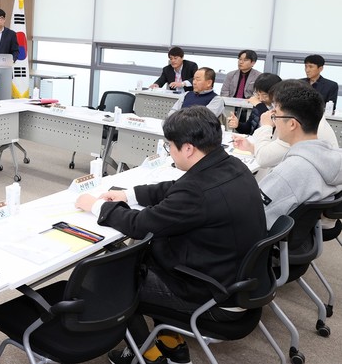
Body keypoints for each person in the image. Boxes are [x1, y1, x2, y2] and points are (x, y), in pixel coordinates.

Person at [76, 106, 266, 364]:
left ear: (187, 148)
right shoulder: (231, 165)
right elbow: (177, 188)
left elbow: (140, 224)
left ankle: (147, 354)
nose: (169, 152)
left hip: (213, 296)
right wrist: (128, 195)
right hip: (235, 282)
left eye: (170, 146)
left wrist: (96, 206)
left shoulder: (197, 192)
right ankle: (172, 344)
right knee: (144, 255)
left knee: (110, 279)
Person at [255, 82, 342, 226]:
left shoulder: (287, 173)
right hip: (310, 231)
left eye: (275, 115)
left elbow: (253, 214)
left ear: (292, 124)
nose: (274, 120)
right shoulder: (333, 158)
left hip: (267, 235)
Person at [232, 80, 339, 181]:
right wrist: (251, 147)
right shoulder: (311, 117)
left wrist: (266, 126)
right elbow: (276, 152)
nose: (273, 112)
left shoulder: (300, 128)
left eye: (276, 107)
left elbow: (263, 159)